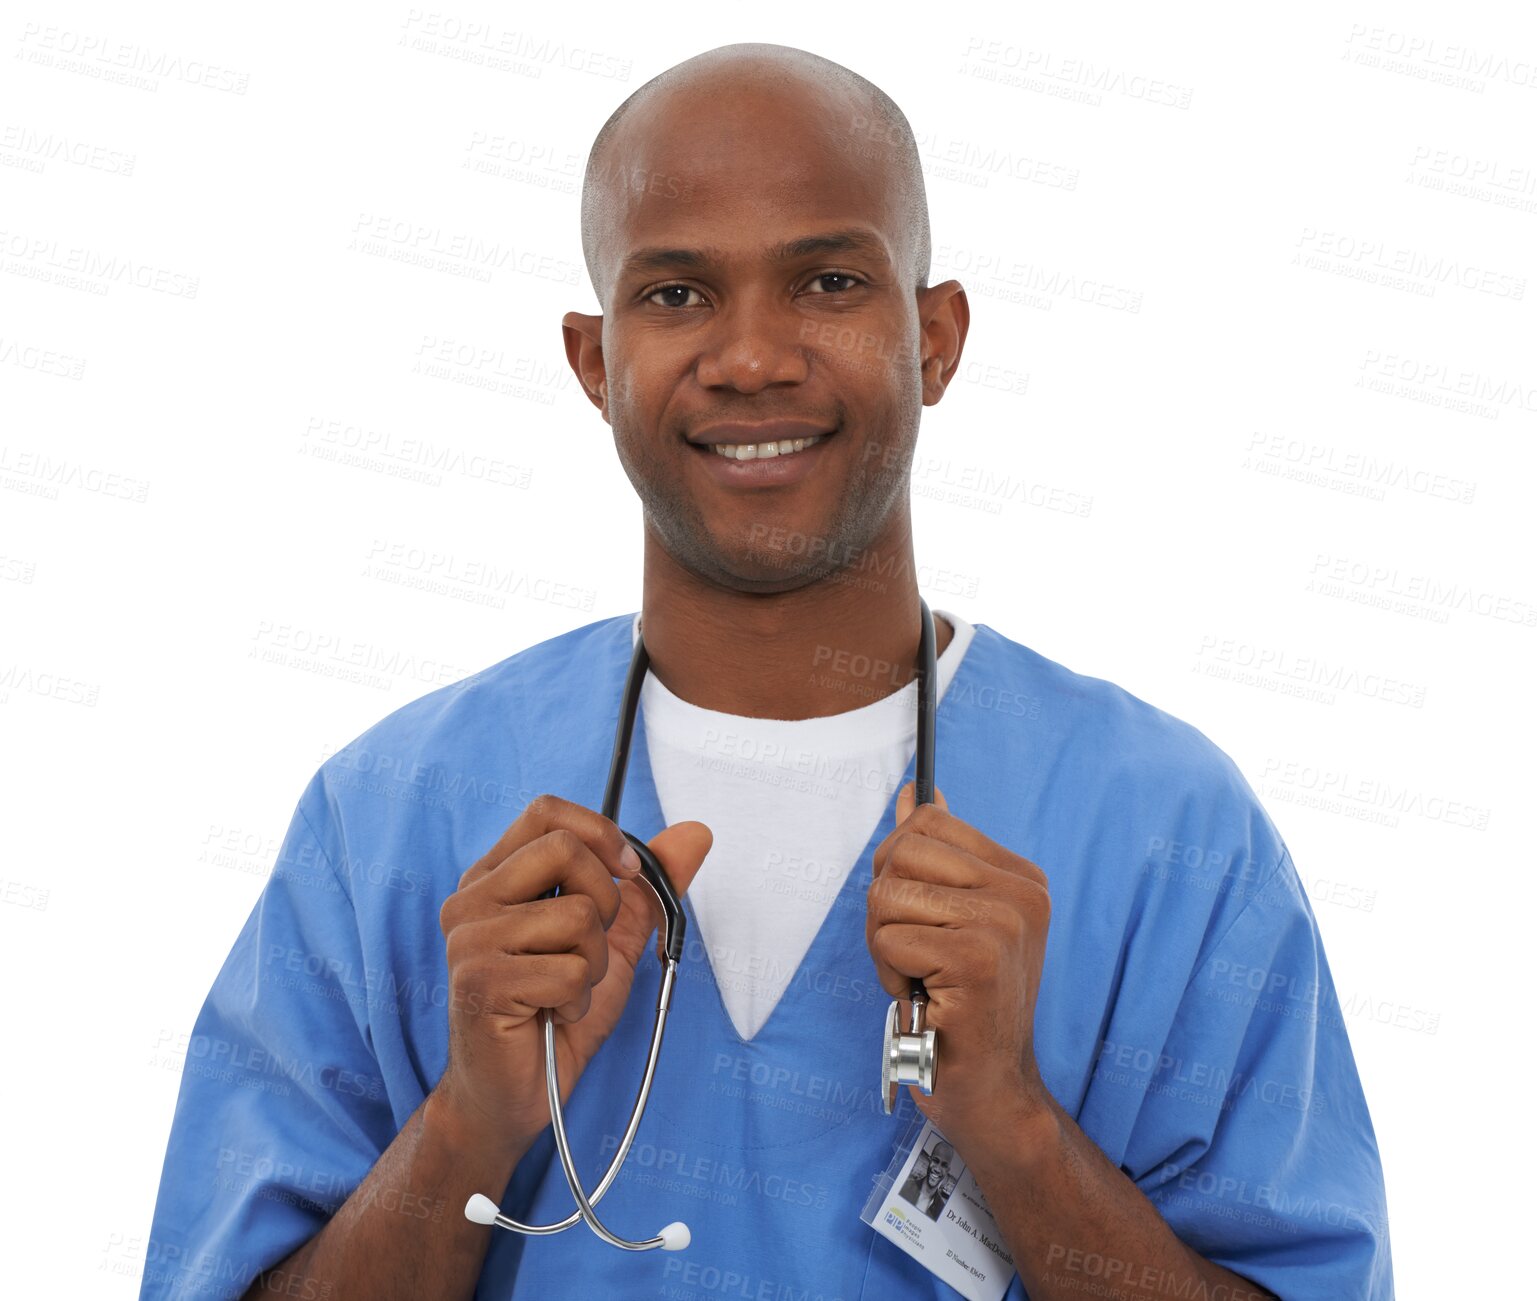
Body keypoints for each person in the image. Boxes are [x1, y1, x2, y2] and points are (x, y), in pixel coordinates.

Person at [139, 42, 1393, 1301]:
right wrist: (469, 1118)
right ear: (592, 361)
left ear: (936, 338)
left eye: (829, 281)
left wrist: (1011, 1123)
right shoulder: (394, 813)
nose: (750, 357)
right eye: (677, 294)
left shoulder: (1166, 826)